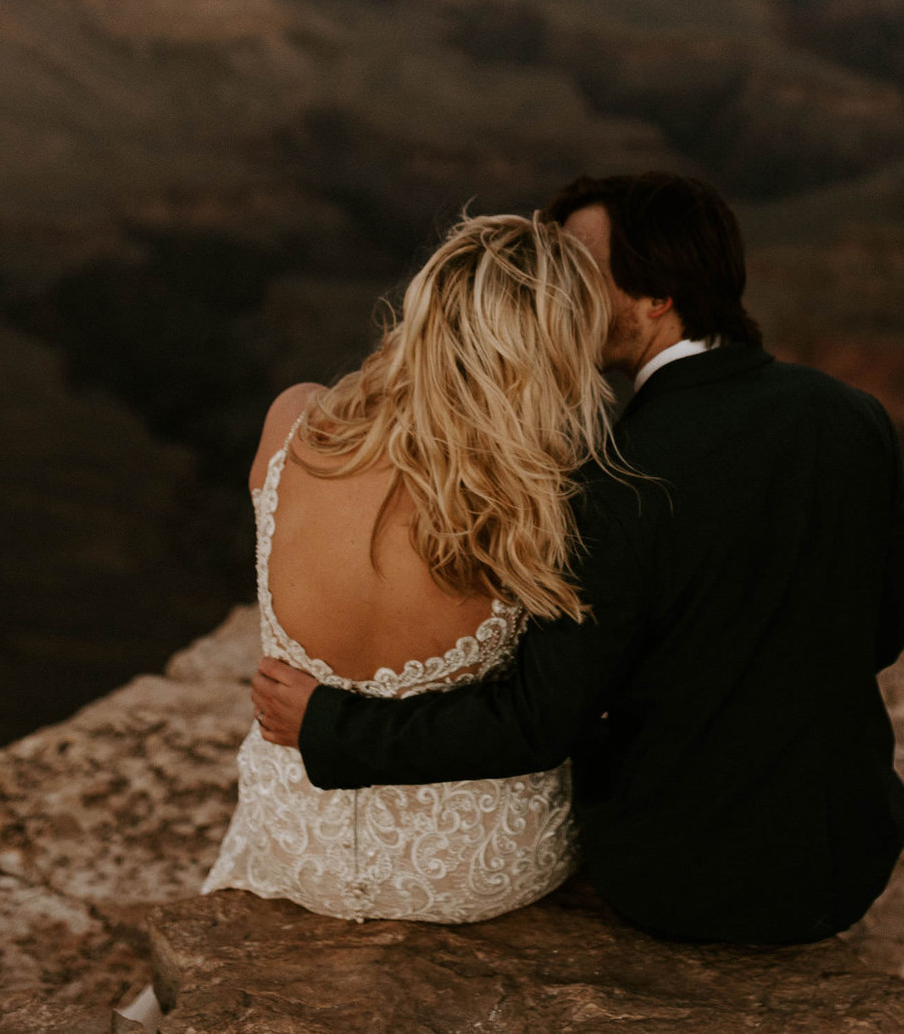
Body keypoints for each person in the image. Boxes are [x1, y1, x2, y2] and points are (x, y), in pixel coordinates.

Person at [253, 172, 904, 945]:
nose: (554, 285)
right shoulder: (852, 413)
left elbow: (538, 719)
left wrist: (331, 725)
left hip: (682, 881)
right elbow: (884, 631)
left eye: (576, 264)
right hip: (848, 857)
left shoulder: (614, 478)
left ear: (656, 292)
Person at [201, 211, 623, 923]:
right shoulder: (546, 500)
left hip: (298, 845)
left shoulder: (293, 420)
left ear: (421, 312)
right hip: (477, 867)